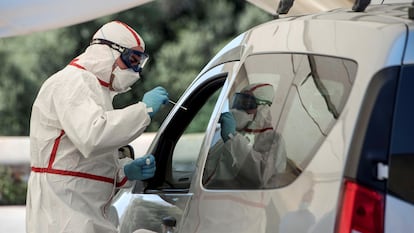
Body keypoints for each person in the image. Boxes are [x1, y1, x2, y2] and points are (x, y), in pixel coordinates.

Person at [26, 21, 169, 233]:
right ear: (108, 52)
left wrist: (124, 173)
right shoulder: (72, 82)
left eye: (140, 62)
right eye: (132, 59)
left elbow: (79, 162)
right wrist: (143, 111)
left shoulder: (95, 90)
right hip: (64, 216)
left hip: (84, 213)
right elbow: (92, 137)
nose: (136, 70)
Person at [203, 83, 287, 189]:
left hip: (239, 203)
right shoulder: (227, 135)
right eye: (238, 101)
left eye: (246, 103)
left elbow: (261, 176)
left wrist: (232, 138)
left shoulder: (274, 140)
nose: (239, 108)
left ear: (263, 108)